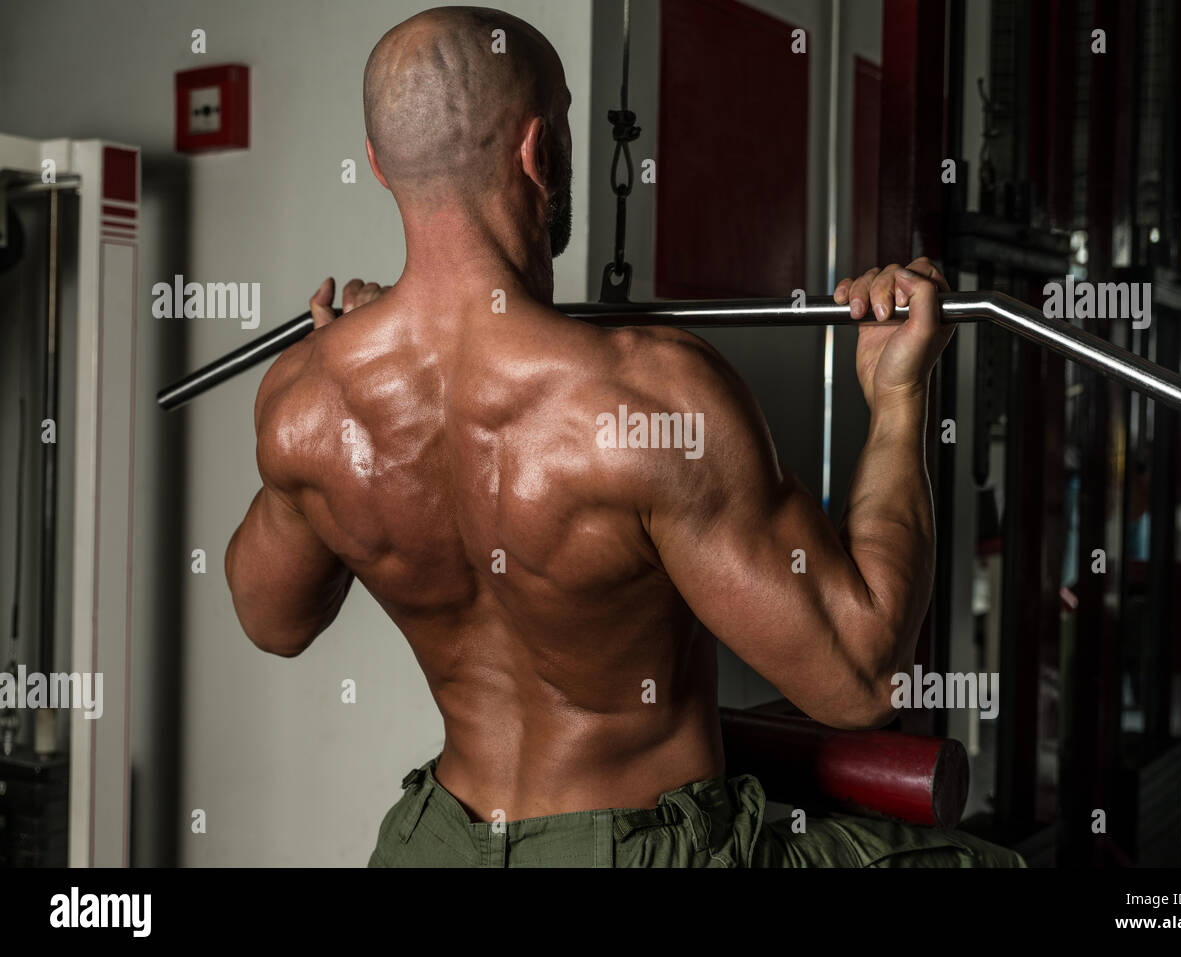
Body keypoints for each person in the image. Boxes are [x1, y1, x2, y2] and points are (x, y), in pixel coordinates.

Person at [224, 6, 1022, 867]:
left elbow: (272, 619)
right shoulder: (653, 394)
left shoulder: (309, 398)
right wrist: (900, 396)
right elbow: (861, 675)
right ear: (542, 152)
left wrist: (336, 361)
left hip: (436, 842)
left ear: (380, 167)